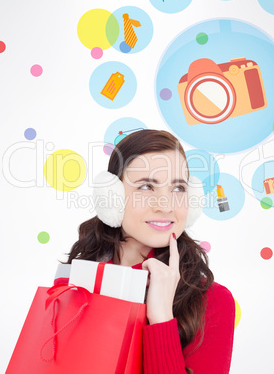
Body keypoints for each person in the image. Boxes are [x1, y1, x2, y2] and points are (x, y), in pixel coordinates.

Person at [57, 129, 235, 373]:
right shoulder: (76, 283)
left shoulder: (212, 301)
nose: (165, 206)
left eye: (178, 188)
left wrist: (161, 317)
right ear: (113, 197)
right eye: (146, 187)